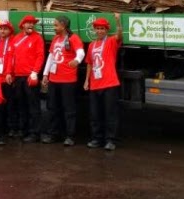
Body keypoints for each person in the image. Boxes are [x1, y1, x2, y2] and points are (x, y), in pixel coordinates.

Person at [42, 16, 85, 146]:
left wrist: (77, 61)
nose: (54, 28)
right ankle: (53, 134)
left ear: (63, 26)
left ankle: (70, 136)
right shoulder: (55, 39)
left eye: (56, 25)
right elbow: (51, 57)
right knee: (52, 107)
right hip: (54, 79)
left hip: (68, 79)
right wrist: (45, 74)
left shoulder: (73, 38)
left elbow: (81, 52)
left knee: (69, 109)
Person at [84, 15, 123, 151]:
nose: (100, 31)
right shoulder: (91, 45)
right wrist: (86, 81)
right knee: (95, 114)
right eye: (97, 28)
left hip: (109, 83)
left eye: (102, 28)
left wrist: (118, 20)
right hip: (95, 83)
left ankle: (110, 140)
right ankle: (96, 139)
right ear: (94, 30)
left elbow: (119, 36)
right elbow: (89, 63)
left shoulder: (111, 42)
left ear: (106, 30)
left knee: (110, 113)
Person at [9, 15, 45, 143]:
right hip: (18, 77)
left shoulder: (37, 38)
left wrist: (35, 72)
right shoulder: (16, 39)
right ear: (22, 25)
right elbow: (11, 57)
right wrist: (9, 73)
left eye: (32, 23)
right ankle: (23, 130)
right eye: (28, 23)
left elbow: (40, 56)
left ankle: (35, 133)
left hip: (30, 77)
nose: (30, 25)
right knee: (21, 104)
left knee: (33, 105)